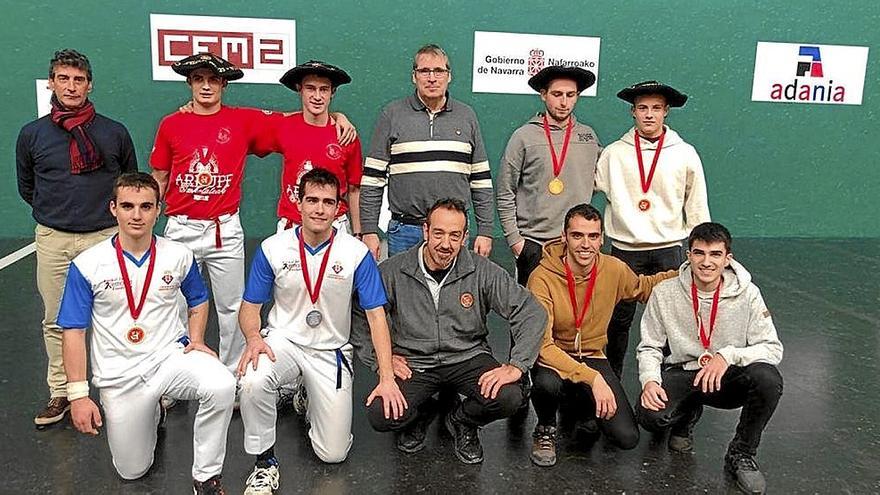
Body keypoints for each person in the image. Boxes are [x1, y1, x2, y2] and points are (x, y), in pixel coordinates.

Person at [57, 173, 235, 494]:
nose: (136, 215)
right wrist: (79, 395)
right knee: (132, 472)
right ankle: (153, 412)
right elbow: (73, 331)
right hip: (119, 376)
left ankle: (206, 477)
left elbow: (198, 298)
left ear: (158, 210)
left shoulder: (179, 255)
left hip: (169, 358)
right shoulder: (88, 265)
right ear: (114, 209)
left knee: (222, 384)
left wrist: (195, 340)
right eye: (127, 206)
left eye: (145, 206)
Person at [236, 169, 405, 494]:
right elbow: (250, 307)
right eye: (312, 200)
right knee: (253, 378)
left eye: (328, 202)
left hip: (331, 351)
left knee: (333, 455)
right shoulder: (273, 248)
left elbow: (376, 318)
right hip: (283, 342)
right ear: (297, 202)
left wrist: (386, 378)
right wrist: (254, 338)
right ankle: (264, 462)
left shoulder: (355, 254)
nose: (319, 209)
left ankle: (307, 392)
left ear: (338, 208)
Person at [358, 198, 546, 464]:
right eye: (438, 233)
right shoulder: (393, 271)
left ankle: (461, 420)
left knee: (512, 395)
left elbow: (531, 311)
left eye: (454, 235)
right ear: (425, 231)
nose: (446, 244)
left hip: (467, 357)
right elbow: (359, 314)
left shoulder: (481, 271)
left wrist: (517, 365)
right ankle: (423, 411)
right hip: (415, 363)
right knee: (382, 414)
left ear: (464, 237)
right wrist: (380, 361)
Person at [16, 49, 138, 426]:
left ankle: (127, 387)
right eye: (63, 79)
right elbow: (28, 187)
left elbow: (129, 183)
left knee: (116, 316)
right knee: (56, 319)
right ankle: (63, 392)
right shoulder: (32, 134)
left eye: (79, 79)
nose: (71, 86)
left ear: (90, 84)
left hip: (104, 238)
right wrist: (59, 215)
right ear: (51, 83)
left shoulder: (113, 132)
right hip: (53, 239)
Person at [636, 222, 783, 494]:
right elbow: (650, 347)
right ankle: (685, 416)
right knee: (650, 416)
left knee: (767, 378)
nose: (706, 262)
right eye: (699, 253)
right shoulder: (665, 292)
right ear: (688, 255)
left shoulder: (748, 294)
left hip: (725, 378)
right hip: (683, 372)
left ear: (728, 258)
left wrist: (728, 356)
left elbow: (772, 348)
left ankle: (742, 454)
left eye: (715, 254)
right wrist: (650, 381)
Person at [526, 204, 675, 466]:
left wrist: (689, 271)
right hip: (554, 358)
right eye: (577, 235)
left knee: (627, 437)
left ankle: (579, 403)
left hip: (593, 355)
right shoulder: (542, 278)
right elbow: (543, 345)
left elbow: (643, 288)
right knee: (546, 384)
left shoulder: (614, 269)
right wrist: (594, 379)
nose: (586, 244)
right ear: (564, 237)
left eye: (593, 236)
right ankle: (545, 428)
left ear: (602, 238)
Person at [594, 80, 710, 377]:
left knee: (674, 322)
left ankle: (672, 385)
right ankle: (612, 383)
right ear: (632, 112)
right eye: (642, 108)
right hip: (624, 251)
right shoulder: (613, 153)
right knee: (616, 322)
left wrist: (701, 251)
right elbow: (588, 187)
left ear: (666, 112)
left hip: (668, 250)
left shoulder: (684, 153)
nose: (649, 114)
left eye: (656, 108)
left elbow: (696, 205)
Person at [360, 44, 494, 259]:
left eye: (439, 71)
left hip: (453, 233)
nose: (432, 78)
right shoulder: (391, 114)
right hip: (405, 230)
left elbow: (480, 181)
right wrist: (368, 230)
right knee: (402, 292)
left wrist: (486, 231)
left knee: (452, 292)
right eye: (424, 71)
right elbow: (372, 179)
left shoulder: (467, 116)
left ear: (449, 76)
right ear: (414, 76)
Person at [496, 66, 601, 285]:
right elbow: (505, 191)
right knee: (531, 315)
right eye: (557, 94)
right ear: (543, 95)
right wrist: (516, 242)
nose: (563, 102)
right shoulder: (523, 137)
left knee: (575, 315)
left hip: (576, 245)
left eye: (570, 95)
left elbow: (603, 179)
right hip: (534, 245)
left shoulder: (588, 137)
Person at [265, 60, 364, 236]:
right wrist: (338, 115)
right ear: (299, 89)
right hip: (292, 225)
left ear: (332, 92)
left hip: (336, 226)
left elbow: (354, 189)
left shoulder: (346, 135)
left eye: (324, 89)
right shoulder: (282, 126)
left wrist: (358, 233)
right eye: (310, 88)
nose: (317, 96)